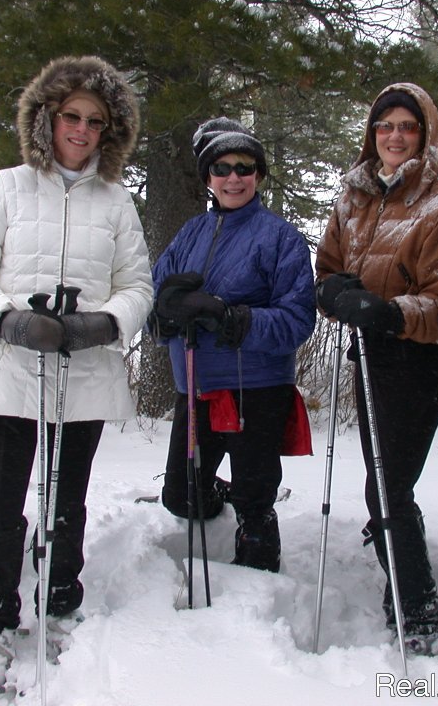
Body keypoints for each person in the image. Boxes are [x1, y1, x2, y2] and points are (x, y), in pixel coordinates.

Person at [0, 56, 152, 688]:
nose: (82, 130)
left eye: (96, 121)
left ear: (108, 131)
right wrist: (4, 319)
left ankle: (61, 603)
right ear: (47, 117)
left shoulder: (117, 201)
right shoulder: (8, 187)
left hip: (84, 375)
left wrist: (106, 324)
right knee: (3, 504)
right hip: (13, 372)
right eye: (71, 116)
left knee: (68, 502)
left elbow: (137, 284)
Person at [314, 83, 438, 655]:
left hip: (421, 355)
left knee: (388, 485)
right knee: (384, 480)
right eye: (385, 127)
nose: (395, 137)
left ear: (426, 136)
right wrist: (334, 294)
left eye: (407, 127)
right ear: (371, 135)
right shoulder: (353, 197)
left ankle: (417, 604)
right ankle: (403, 580)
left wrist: (386, 311)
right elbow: (327, 267)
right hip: (371, 352)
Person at [149, 117, 315, 573]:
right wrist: (164, 312)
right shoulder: (189, 233)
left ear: (258, 175)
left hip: (255, 387)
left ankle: (258, 573)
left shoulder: (281, 238)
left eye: (244, 167)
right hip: (196, 386)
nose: (233, 177)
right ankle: (219, 503)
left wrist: (230, 317)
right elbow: (154, 297)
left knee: (254, 497)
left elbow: (298, 320)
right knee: (181, 495)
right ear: (208, 178)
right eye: (221, 168)